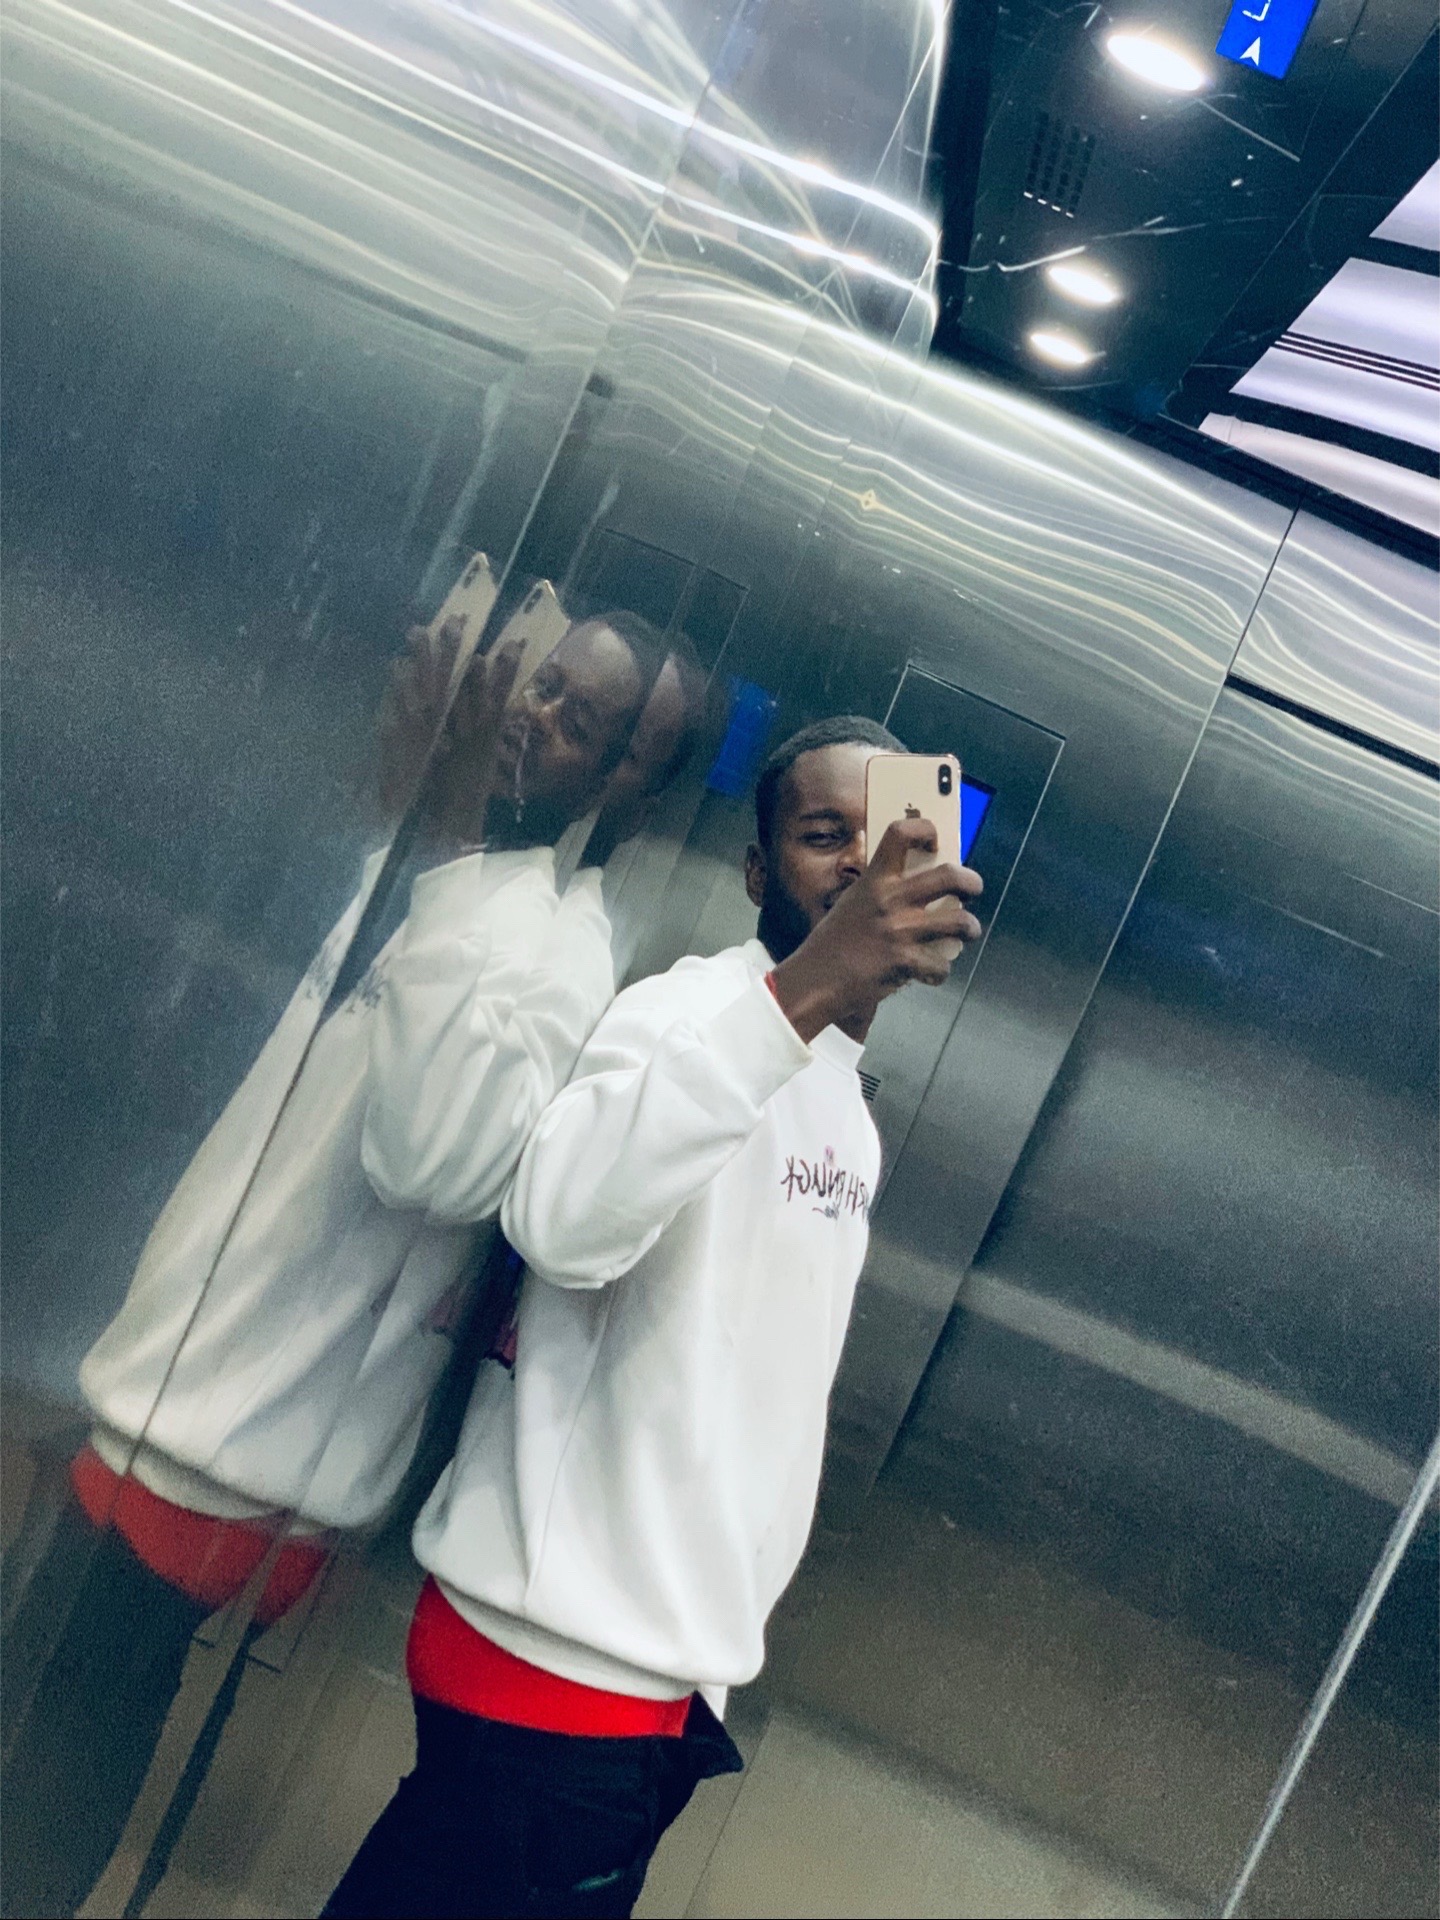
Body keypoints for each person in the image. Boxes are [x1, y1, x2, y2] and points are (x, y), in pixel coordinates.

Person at [0, 607, 695, 1920]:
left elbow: (437, 1163)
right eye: (542, 685)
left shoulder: (550, 950)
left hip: (234, 1458)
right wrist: (422, 837)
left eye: (584, 724)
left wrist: (442, 847)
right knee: (52, 1749)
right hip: (185, 1412)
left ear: (626, 791)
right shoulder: (444, 880)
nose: (535, 718)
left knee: (45, 1774)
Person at [323, 714, 985, 1920]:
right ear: (756, 873)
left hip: (648, 1680)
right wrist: (808, 988)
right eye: (822, 834)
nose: (857, 863)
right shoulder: (688, 1015)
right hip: (550, 1667)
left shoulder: (843, 1108)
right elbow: (560, 1220)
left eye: (888, 835)